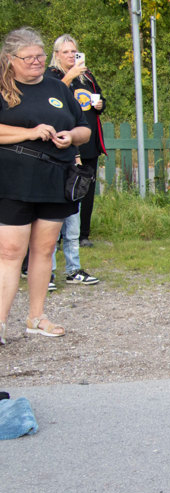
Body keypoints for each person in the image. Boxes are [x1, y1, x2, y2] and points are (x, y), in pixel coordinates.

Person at [0, 27, 90, 342]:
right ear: (10, 59)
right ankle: (0, 322)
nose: (36, 61)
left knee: (45, 249)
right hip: (12, 182)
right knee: (10, 252)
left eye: (40, 55)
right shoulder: (3, 88)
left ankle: (36, 317)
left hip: (55, 179)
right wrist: (29, 132)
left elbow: (84, 129)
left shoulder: (57, 87)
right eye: (28, 58)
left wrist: (71, 136)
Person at [46, 34, 102, 284]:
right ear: (56, 54)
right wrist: (70, 76)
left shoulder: (85, 77)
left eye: (74, 51)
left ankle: (73, 268)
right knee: (50, 215)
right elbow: (51, 102)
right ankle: (46, 270)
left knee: (74, 211)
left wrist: (99, 104)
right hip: (53, 151)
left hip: (78, 148)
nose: (71, 56)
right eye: (66, 52)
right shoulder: (50, 77)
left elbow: (84, 113)